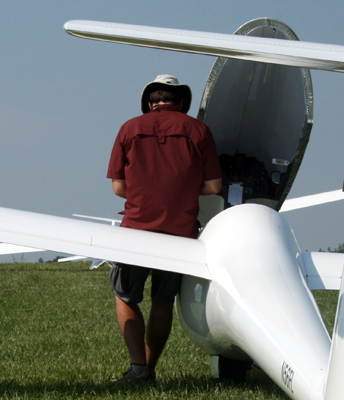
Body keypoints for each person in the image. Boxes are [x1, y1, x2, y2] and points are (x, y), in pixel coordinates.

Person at [106, 75, 222, 383]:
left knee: (125, 295)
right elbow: (213, 185)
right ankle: (149, 367)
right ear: (181, 102)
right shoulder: (199, 131)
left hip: (137, 228)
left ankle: (138, 369)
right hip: (180, 231)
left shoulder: (129, 129)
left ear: (149, 102)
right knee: (162, 301)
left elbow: (119, 187)